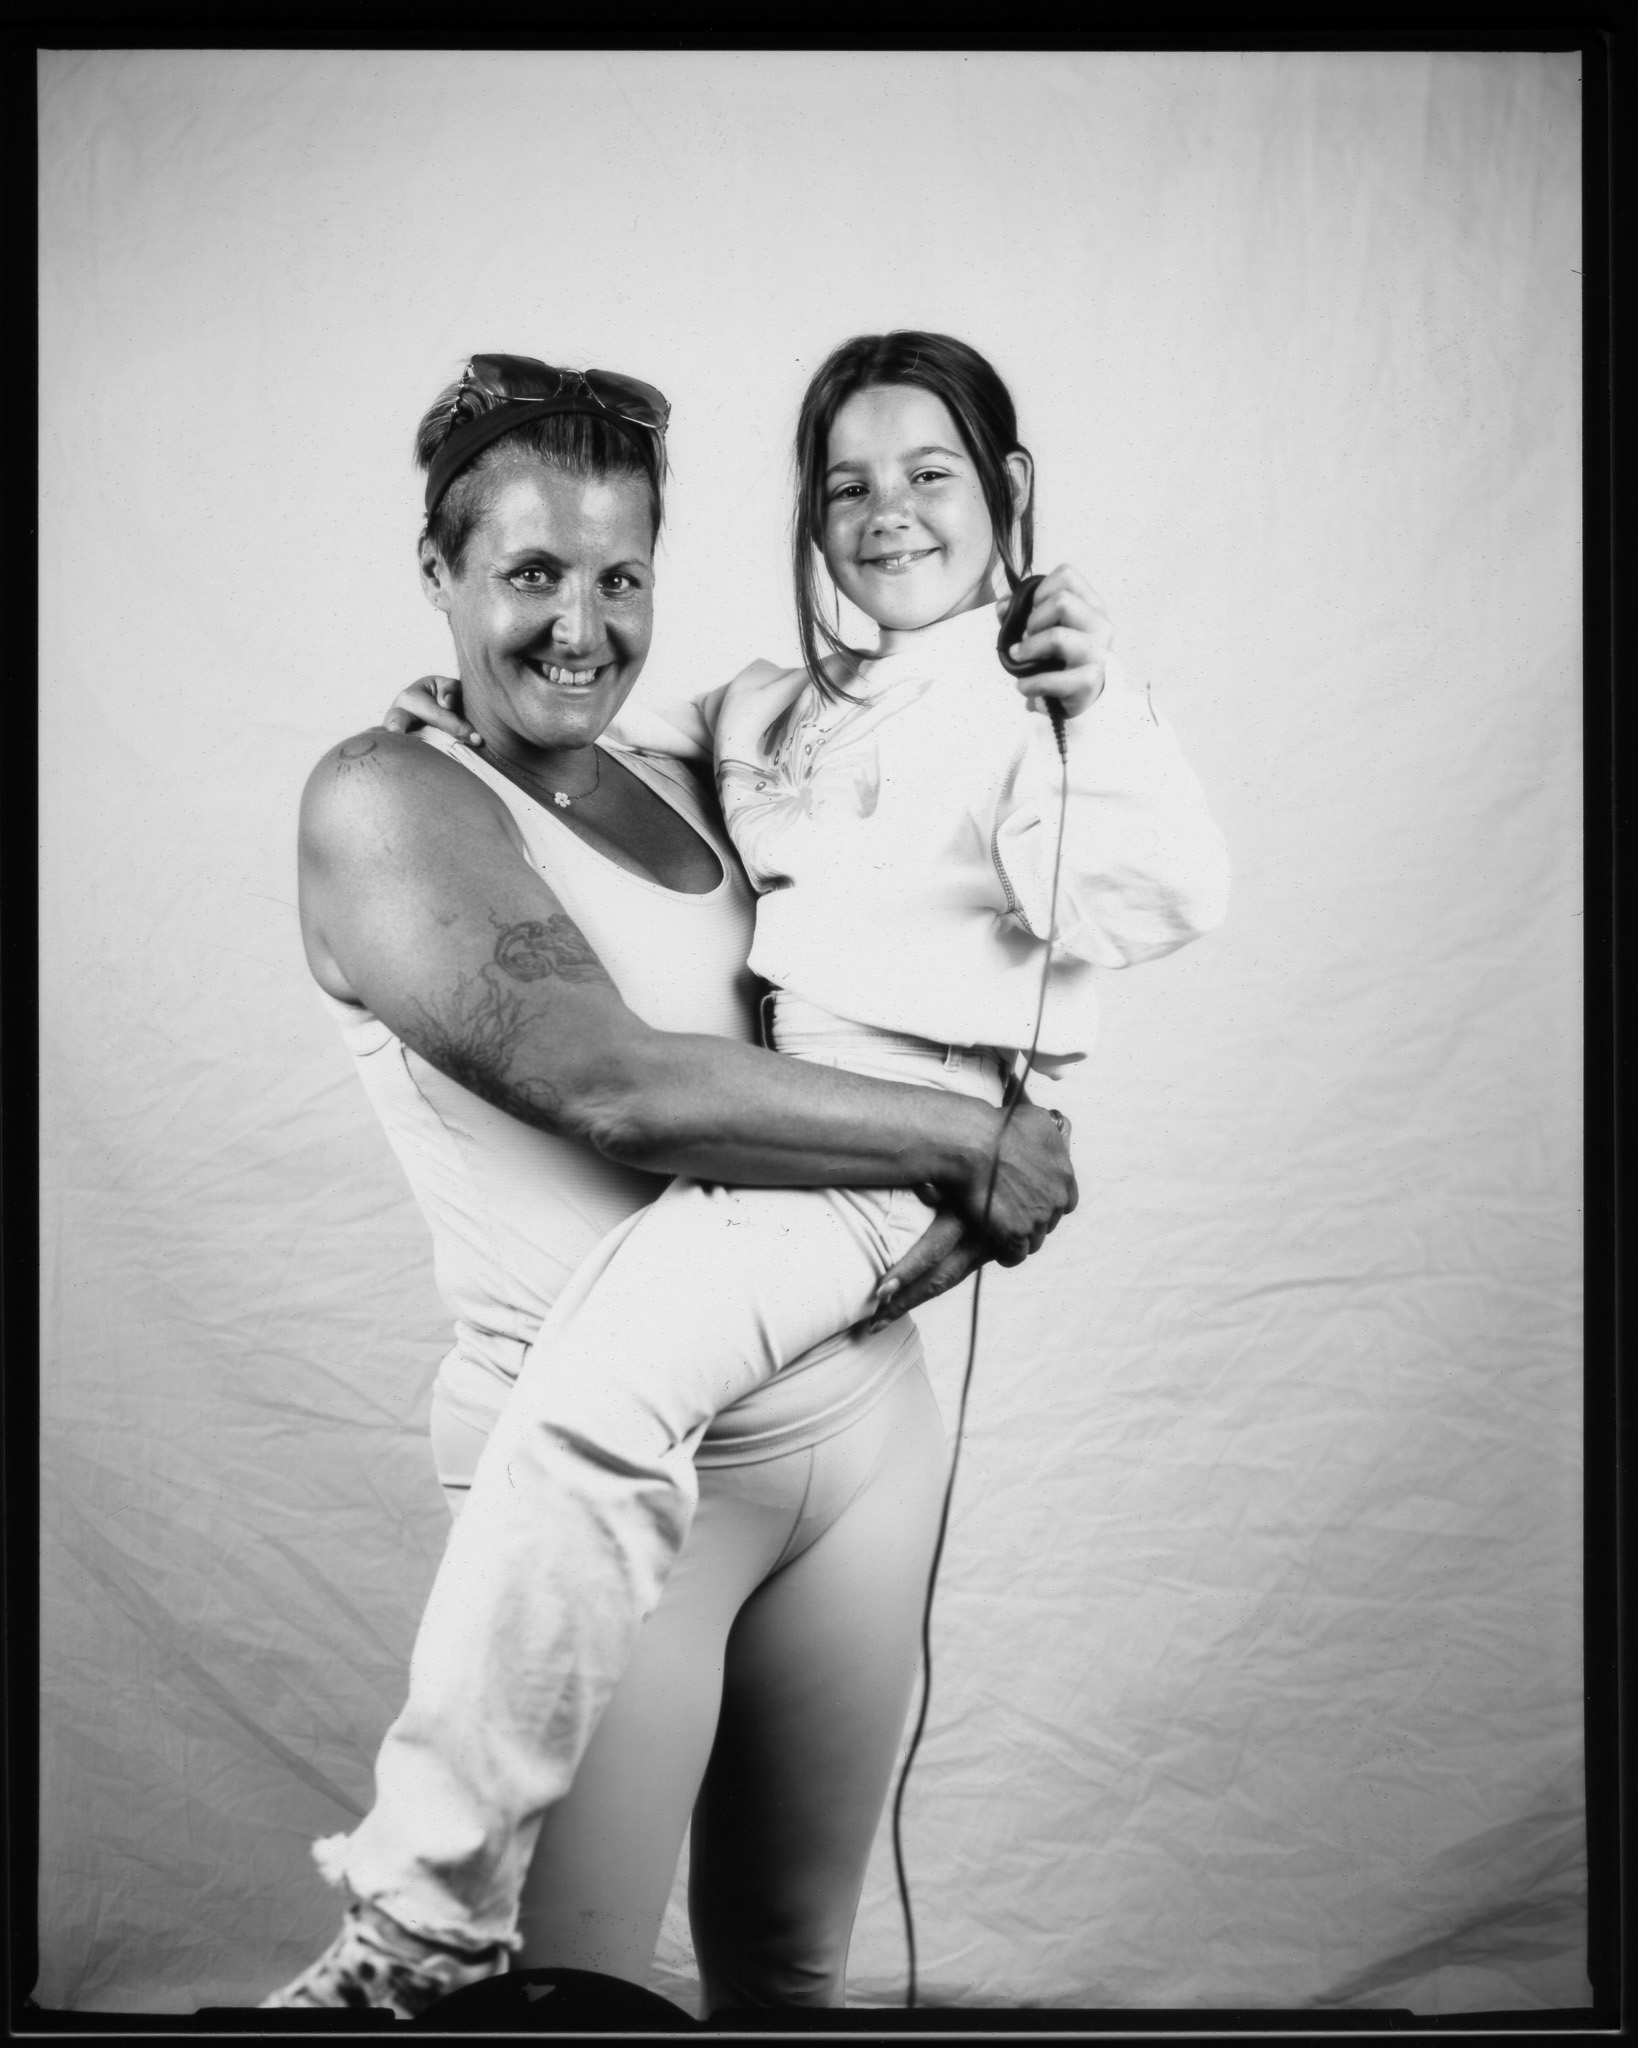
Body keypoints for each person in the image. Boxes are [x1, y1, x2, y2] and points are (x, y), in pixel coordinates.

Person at [266, 337, 1226, 2016]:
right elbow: (615, 1086)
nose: (581, 623)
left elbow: (946, 877)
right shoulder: (382, 796)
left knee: (789, 1973)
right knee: (563, 1999)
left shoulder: (685, 760)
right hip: (636, 1465)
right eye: (528, 573)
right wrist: (969, 1152)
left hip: (857, 1436)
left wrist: (1084, 691)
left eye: (619, 575)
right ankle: (410, 1923)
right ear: (438, 570)